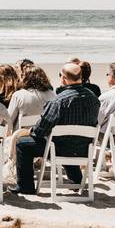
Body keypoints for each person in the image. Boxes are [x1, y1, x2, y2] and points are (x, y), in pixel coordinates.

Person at [11, 62, 99, 195]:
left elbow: (41, 130)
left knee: (22, 144)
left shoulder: (59, 101)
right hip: (83, 148)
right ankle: (77, 180)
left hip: (59, 148)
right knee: (70, 140)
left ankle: (26, 187)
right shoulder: (93, 98)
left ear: (63, 78)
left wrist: (29, 131)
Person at [7, 65, 56, 130]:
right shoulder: (52, 94)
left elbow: (9, 120)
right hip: (46, 136)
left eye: (22, 76)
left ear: (26, 79)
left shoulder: (18, 95)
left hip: (22, 136)